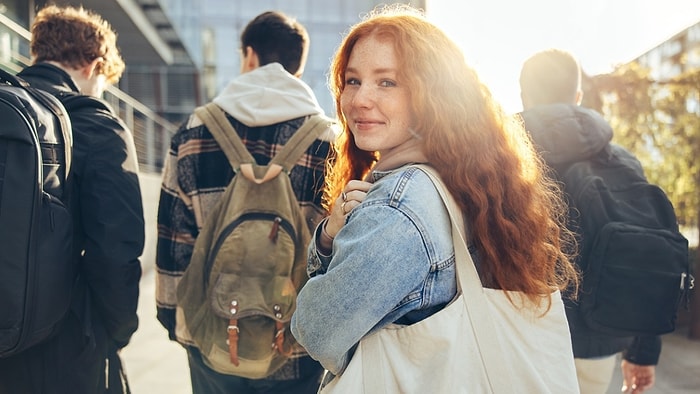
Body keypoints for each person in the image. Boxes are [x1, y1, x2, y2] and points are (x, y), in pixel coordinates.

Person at [289, 3, 580, 388]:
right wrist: (331, 236)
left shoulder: (399, 206)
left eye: (387, 82)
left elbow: (317, 330)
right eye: (353, 80)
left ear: (433, 94)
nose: (359, 99)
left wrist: (327, 242)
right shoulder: (466, 177)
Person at [155, 10, 333, 394]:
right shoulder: (327, 141)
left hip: (213, 337)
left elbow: (174, 241)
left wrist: (176, 322)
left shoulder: (194, 131)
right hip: (294, 343)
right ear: (296, 69)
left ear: (249, 56)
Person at [0, 5, 145, 394]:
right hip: (68, 347)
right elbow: (117, 249)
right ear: (96, 65)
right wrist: (115, 333)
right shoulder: (96, 124)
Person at [518, 48, 659, 394]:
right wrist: (643, 351)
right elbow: (645, 254)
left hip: (520, 338)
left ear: (522, 95)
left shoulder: (501, 158)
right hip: (599, 339)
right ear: (577, 97)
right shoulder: (622, 161)